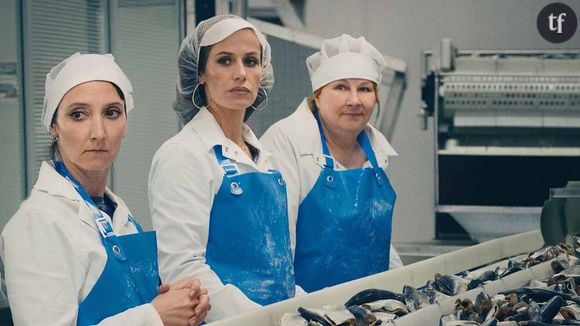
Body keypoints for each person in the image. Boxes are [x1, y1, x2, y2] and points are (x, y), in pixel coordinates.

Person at [0, 53, 210, 325]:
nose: (98, 132)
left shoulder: (118, 214)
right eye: (78, 115)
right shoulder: (36, 224)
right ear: (53, 126)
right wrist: (155, 316)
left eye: (111, 113)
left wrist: (183, 304)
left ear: (125, 125)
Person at [148, 15, 295, 322]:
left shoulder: (266, 159)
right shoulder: (183, 155)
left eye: (251, 61)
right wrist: (262, 320)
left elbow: (279, 269)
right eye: (225, 61)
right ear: (200, 73)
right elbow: (184, 271)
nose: (240, 74)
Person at [261, 34, 403, 293]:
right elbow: (276, 251)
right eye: (340, 87)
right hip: (303, 306)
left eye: (365, 88)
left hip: (368, 308)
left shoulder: (376, 148)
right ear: (317, 95)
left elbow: (376, 240)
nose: (354, 100)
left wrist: (401, 289)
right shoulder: (286, 141)